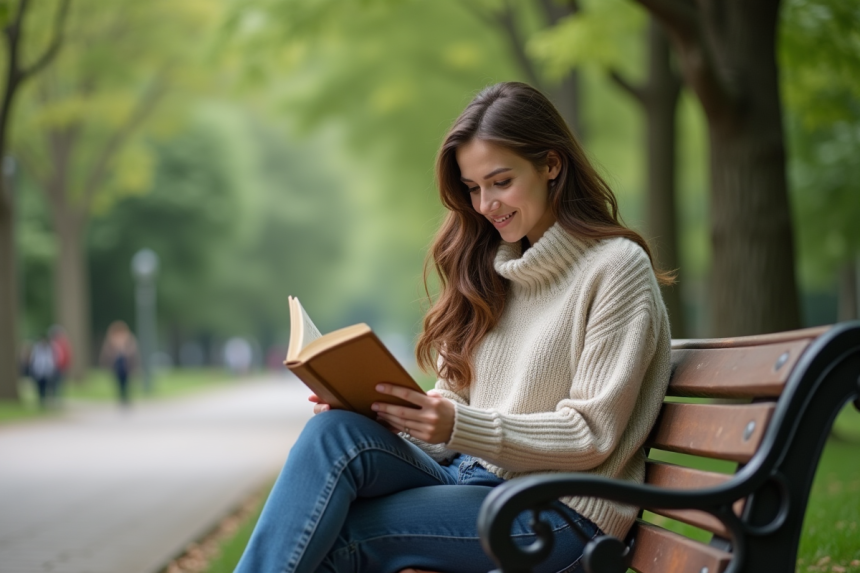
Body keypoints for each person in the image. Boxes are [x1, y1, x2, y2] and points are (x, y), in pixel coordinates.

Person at [235, 82, 673, 573]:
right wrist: (388, 415)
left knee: (340, 537)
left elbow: (591, 434)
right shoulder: (487, 271)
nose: (485, 204)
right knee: (333, 433)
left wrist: (458, 425)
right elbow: (451, 412)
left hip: (556, 514)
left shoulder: (615, 269)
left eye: (500, 182)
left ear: (551, 165)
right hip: (474, 483)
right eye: (473, 188)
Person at [99, 321, 139, 406]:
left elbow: (134, 353)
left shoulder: (129, 339)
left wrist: (125, 351)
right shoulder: (111, 340)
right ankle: (121, 397)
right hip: (117, 365)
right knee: (119, 382)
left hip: (126, 365)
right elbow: (106, 353)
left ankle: (126, 397)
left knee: (127, 382)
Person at [29, 335, 57, 409]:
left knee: (45, 386)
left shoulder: (49, 349)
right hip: (38, 371)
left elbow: (52, 360)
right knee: (39, 386)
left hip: (46, 371)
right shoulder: (36, 349)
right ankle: (40, 399)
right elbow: (33, 360)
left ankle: (44, 399)